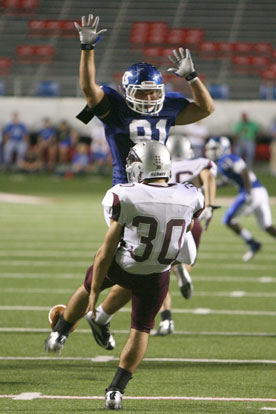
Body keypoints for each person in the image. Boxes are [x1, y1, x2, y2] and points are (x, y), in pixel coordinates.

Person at [71, 12, 214, 343]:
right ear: (128, 90)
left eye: (154, 92)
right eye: (143, 92)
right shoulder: (115, 105)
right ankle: (83, 318)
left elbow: (205, 108)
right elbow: (88, 90)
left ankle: (97, 316)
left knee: (147, 261)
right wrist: (87, 47)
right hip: (126, 188)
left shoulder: (170, 105)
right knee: (135, 261)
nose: (150, 98)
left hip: (159, 188)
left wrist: (192, 77)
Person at [44, 141, 204, 410]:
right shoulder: (190, 195)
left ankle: (59, 334)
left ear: (139, 167)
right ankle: (116, 391)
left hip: (123, 264)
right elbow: (187, 228)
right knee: (141, 329)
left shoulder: (124, 194)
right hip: (156, 272)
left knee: (86, 288)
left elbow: (106, 250)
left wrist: (95, 288)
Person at [155, 135, 218, 335]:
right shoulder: (199, 163)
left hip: (167, 222)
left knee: (158, 273)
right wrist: (209, 205)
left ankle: (166, 320)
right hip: (192, 222)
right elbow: (208, 176)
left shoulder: (163, 166)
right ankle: (181, 268)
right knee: (183, 263)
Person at [205, 136, 276, 262]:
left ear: (223, 148)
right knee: (267, 226)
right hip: (260, 191)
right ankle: (253, 244)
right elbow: (229, 180)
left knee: (227, 220)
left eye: (214, 148)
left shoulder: (225, 159)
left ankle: (252, 243)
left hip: (251, 192)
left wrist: (248, 192)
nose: (211, 152)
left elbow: (244, 171)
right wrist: (211, 185)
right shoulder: (226, 160)